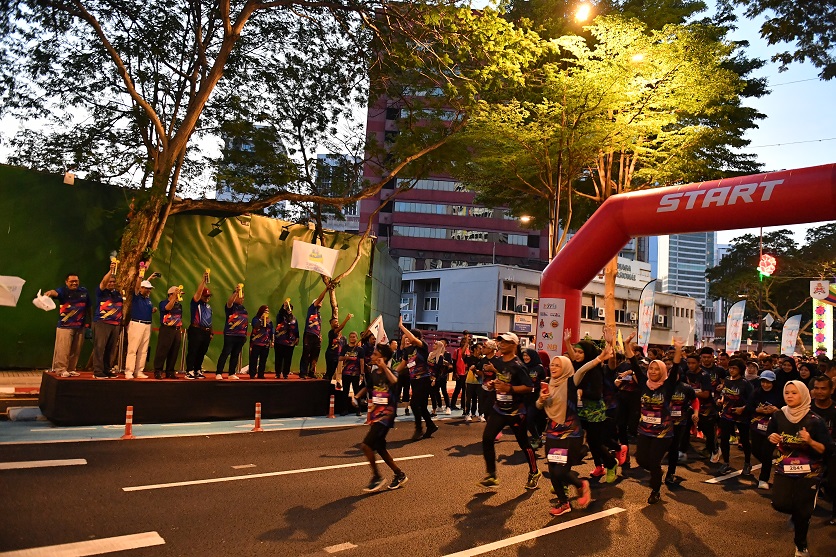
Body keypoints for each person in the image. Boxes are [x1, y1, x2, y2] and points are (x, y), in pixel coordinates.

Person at [767, 380, 834, 557]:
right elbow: (771, 433)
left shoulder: (815, 421)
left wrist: (810, 441)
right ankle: (797, 514)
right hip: (785, 468)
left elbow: (826, 449)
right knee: (780, 503)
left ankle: (801, 545)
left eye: (794, 393)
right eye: (787, 392)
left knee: (803, 512)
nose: (789, 396)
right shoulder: (778, 416)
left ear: (804, 395)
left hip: (810, 472)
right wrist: (772, 437)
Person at [478, 332, 541, 491]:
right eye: (500, 342)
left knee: (523, 443)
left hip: (515, 412)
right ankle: (492, 474)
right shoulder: (498, 362)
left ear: (514, 345)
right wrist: (494, 383)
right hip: (499, 409)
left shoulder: (519, 365)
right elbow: (502, 378)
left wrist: (510, 388)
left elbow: (529, 388)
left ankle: (534, 472)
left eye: (505, 342)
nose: (501, 345)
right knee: (487, 438)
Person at [537, 354, 594, 516]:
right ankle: (564, 503)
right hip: (552, 433)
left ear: (566, 368)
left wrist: (600, 358)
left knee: (560, 471)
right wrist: (541, 399)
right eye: (552, 365)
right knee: (553, 471)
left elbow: (583, 369)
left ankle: (581, 485)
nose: (553, 368)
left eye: (558, 365)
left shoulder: (571, 382)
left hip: (569, 434)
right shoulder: (548, 383)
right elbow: (538, 406)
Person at [625, 338, 681, 504]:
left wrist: (678, 349)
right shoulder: (644, 383)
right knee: (641, 460)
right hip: (644, 430)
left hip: (663, 433)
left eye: (657, 369)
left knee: (654, 461)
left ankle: (655, 490)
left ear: (663, 371)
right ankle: (658, 472)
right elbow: (634, 364)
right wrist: (627, 345)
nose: (653, 371)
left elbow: (676, 365)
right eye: (651, 368)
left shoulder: (668, 386)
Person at [356, 343, 408, 492]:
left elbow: (394, 381)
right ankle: (400, 474)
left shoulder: (392, 373)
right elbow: (369, 387)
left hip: (386, 416)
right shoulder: (374, 373)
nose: (372, 356)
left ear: (383, 358)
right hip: (376, 415)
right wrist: (357, 396)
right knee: (379, 447)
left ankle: (377, 477)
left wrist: (384, 367)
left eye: (375, 355)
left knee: (366, 445)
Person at [396, 316, 438, 439]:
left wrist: (402, 326)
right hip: (414, 380)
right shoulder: (407, 351)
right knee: (423, 407)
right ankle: (431, 426)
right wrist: (391, 372)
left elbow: (413, 339)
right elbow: (403, 364)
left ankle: (419, 429)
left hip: (424, 379)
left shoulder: (422, 346)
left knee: (414, 404)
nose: (407, 341)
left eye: (408, 338)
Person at [45, 273, 92, 377]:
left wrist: (91, 321)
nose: (74, 283)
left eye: (76, 281)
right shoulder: (62, 291)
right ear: (66, 282)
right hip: (65, 326)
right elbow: (55, 293)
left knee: (76, 350)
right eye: (72, 281)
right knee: (63, 350)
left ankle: (71, 368)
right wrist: (49, 293)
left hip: (80, 326)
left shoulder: (84, 292)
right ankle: (61, 370)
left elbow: (89, 307)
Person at [717, 358, 754, 475]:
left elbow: (752, 401)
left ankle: (747, 463)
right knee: (724, 439)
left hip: (741, 416)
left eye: (734, 368)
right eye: (730, 368)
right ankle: (726, 463)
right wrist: (721, 400)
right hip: (726, 414)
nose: (731, 370)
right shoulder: (727, 380)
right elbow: (724, 394)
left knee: (744, 440)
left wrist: (743, 409)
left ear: (741, 370)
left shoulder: (746, 384)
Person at [747, 370, 782, 489]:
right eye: (763, 382)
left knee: (767, 452)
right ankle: (769, 463)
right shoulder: (756, 392)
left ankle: (763, 479)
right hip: (757, 426)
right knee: (756, 450)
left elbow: (786, 408)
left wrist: (776, 410)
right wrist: (758, 410)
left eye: (768, 382)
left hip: (772, 427)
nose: (765, 385)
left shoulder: (779, 393)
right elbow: (749, 406)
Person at [809, 375, 836, 525]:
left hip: (832, 453)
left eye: (823, 388)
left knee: (833, 484)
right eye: (816, 388)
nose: (819, 392)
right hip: (811, 451)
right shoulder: (808, 408)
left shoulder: (834, 410)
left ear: (831, 390)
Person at [91, 262, 122, 379]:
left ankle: (107, 369)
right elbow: (103, 282)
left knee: (111, 348)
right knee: (100, 347)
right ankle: (98, 371)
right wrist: (111, 270)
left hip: (115, 325)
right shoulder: (101, 292)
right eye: (110, 281)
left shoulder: (117, 294)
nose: (111, 283)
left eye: (113, 282)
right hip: (102, 323)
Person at [124, 274, 157, 379]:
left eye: (150, 289)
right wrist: (141, 276)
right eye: (147, 289)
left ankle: (139, 371)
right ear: (142, 288)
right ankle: (129, 371)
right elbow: (138, 286)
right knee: (133, 349)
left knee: (144, 350)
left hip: (147, 325)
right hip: (136, 324)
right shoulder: (137, 296)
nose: (149, 291)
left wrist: (152, 310)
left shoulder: (148, 300)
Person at [216, 283, 247, 380]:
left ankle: (231, 373)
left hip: (240, 336)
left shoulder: (243, 309)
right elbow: (229, 302)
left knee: (235, 355)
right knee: (225, 353)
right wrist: (236, 292)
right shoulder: (230, 307)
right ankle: (219, 373)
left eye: (243, 298)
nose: (242, 299)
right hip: (230, 334)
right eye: (240, 297)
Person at [185, 272, 213, 379]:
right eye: (205, 296)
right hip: (196, 330)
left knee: (202, 352)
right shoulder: (195, 303)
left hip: (206, 331)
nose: (207, 298)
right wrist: (203, 281)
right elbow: (197, 293)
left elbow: (209, 320)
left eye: (209, 296)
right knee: (193, 350)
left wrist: (211, 332)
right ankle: (189, 370)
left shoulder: (209, 306)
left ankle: (197, 370)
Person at [154, 285, 183, 379]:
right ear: (170, 294)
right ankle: (158, 371)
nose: (179, 296)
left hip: (176, 329)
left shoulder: (179, 305)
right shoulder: (163, 303)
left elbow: (179, 317)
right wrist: (174, 298)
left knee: (174, 351)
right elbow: (167, 308)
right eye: (177, 294)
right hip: (166, 329)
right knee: (162, 351)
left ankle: (170, 371)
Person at [298, 286, 328, 379]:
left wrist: (320, 335)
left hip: (316, 337)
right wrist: (326, 289)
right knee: (306, 353)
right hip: (309, 335)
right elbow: (320, 298)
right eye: (319, 301)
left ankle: (311, 372)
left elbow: (318, 326)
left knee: (315, 355)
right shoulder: (311, 309)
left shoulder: (319, 315)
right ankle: (303, 372)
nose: (321, 302)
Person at [522, 347, 546, 448]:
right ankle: (537, 437)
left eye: (527, 355)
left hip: (536, 397)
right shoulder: (521, 366)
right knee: (526, 419)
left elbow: (544, 378)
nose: (525, 357)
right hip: (524, 397)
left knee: (531, 418)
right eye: (524, 355)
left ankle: (537, 437)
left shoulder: (538, 367)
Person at [340, 331, 365, 416]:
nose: (352, 338)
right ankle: (344, 410)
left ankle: (358, 410)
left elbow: (362, 361)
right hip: (346, 373)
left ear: (356, 338)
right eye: (351, 337)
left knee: (356, 391)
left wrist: (362, 373)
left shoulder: (360, 350)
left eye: (354, 337)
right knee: (345, 392)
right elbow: (340, 358)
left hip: (356, 373)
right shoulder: (345, 348)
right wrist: (347, 357)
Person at [273, 299, 299, 379]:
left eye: (289, 309)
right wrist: (284, 306)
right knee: (278, 358)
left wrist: (297, 337)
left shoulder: (294, 319)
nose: (288, 310)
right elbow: (281, 312)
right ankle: (277, 373)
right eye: (287, 308)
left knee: (288, 359)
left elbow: (296, 329)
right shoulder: (280, 317)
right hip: (280, 341)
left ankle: (285, 374)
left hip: (290, 342)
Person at [324, 313, 352, 382]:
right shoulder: (331, 332)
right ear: (331, 324)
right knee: (329, 371)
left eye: (337, 321)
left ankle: (328, 384)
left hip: (337, 356)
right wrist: (346, 319)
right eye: (335, 322)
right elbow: (341, 327)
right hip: (330, 355)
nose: (337, 323)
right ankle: (325, 384)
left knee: (332, 372)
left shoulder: (342, 337)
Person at [429, 339, 452, 416]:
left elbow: (448, 365)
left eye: (441, 343)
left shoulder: (445, 354)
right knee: (435, 392)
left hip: (441, 375)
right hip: (431, 375)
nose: (434, 345)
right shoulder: (431, 354)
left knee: (444, 391)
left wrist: (435, 377)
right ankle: (439, 406)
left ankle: (448, 406)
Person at [450, 331, 472, 412]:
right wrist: (454, 372)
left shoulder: (468, 351)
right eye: (462, 341)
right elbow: (454, 362)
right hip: (459, 372)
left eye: (465, 342)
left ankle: (463, 405)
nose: (464, 343)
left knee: (465, 390)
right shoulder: (457, 351)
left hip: (466, 372)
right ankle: (452, 404)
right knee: (457, 389)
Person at [249, 305, 273, 379]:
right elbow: (255, 326)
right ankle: (252, 374)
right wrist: (261, 320)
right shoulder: (256, 319)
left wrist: (272, 341)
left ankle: (261, 374)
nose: (267, 313)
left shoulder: (269, 321)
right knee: (254, 359)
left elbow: (272, 331)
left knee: (263, 360)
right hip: (256, 342)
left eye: (268, 311)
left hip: (265, 343)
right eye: (265, 311)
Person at [464, 343, 483, 422]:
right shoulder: (469, 358)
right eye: (479, 348)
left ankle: (479, 414)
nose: (481, 350)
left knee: (479, 398)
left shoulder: (482, 359)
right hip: (470, 380)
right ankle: (467, 413)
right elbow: (462, 356)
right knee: (469, 398)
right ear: (475, 349)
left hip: (479, 381)